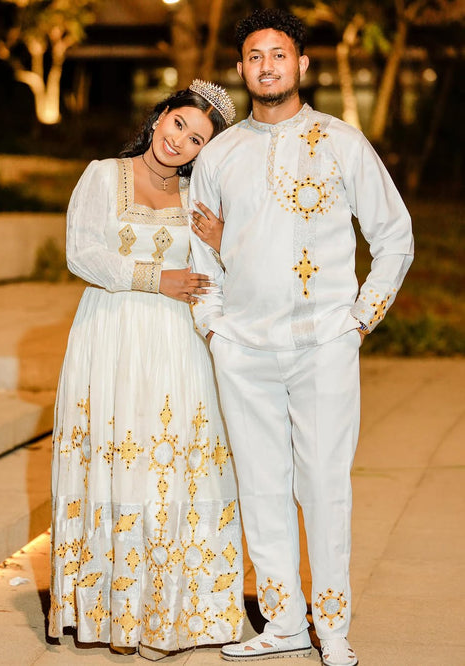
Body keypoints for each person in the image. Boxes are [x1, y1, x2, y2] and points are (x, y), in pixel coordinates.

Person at [189, 9, 414, 666]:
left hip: (322, 345)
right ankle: (284, 621)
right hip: (243, 351)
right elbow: (202, 255)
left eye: (278, 54)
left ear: (301, 65)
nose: (266, 66)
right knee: (260, 487)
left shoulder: (341, 142)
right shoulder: (220, 154)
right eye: (254, 56)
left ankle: (333, 628)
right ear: (240, 68)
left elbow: (393, 236)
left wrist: (359, 316)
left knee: (323, 488)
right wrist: (214, 328)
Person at [48, 80, 246, 661]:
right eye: (178, 123)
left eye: (197, 139)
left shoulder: (202, 199)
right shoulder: (104, 175)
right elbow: (81, 252)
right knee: (116, 455)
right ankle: (111, 610)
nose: (180, 140)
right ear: (160, 114)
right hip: (111, 335)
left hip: (178, 349)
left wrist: (224, 241)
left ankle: (176, 610)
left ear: (205, 152)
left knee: (177, 461)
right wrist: (155, 279)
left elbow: (231, 274)